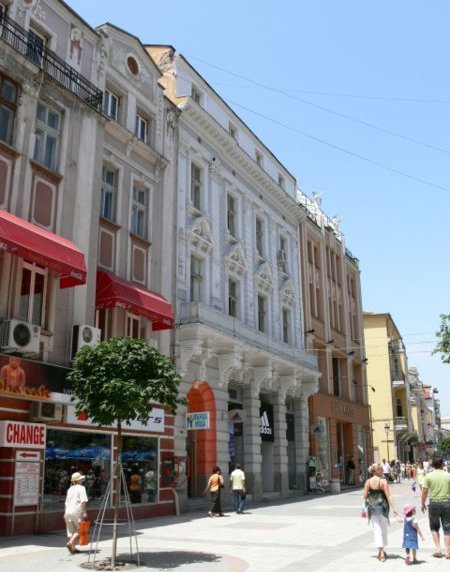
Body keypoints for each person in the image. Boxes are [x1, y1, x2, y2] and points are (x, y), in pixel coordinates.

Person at [363, 462, 399, 562]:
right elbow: (389, 496)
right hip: (383, 507)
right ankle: (382, 551)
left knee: (377, 529)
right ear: (375, 470)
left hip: (372, 508)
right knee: (383, 529)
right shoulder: (383, 481)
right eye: (380, 469)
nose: (382, 471)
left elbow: (365, 496)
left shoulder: (368, 482)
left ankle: (380, 551)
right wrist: (395, 508)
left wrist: (371, 495)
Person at [421, 454, 450, 559]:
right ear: (442, 464)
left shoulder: (428, 476)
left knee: (434, 526)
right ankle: (447, 551)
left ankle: (438, 549)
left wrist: (422, 503)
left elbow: (424, 492)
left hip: (434, 504)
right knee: (448, 527)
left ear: (433, 465)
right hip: (447, 503)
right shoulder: (448, 475)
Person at [64, 472, 88, 554]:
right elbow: (83, 501)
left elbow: (66, 502)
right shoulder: (82, 488)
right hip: (77, 511)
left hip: (68, 512)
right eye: (81, 478)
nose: (82, 479)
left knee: (71, 531)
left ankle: (73, 548)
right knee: (80, 530)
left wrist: (65, 513)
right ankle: (70, 543)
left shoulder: (70, 489)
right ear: (79, 480)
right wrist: (84, 512)